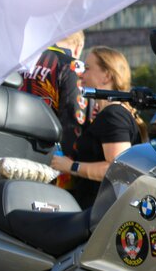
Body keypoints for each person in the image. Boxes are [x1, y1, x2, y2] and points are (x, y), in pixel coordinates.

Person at [49, 46, 144, 208]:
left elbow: (119, 170)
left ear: (106, 76)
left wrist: (71, 166)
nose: (81, 74)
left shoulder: (114, 115)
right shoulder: (110, 114)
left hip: (101, 213)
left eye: (87, 68)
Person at [20, 29, 87, 157]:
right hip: (48, 151)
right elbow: (72, 116)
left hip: (12, 141)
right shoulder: (72, 66)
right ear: (79, 46)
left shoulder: (22, 62)